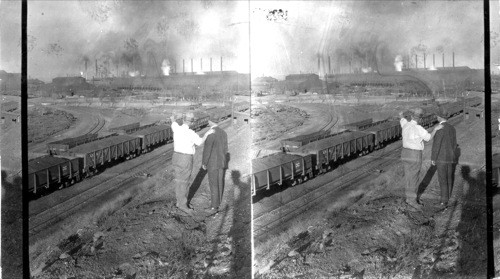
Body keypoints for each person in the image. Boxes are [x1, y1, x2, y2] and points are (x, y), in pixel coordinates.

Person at [170, 112, 214, 215]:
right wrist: (208, 133)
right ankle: (182, 205)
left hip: (176, 156)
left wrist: (173, 118)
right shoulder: (190, 133)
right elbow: (199, 142)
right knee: (184, 182)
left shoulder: (176, 127)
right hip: (185, 158)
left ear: (184, 120)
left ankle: (179, 202)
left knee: (178, 181)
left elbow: (173, 122)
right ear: (192, 122)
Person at [399, 108, 442, 211]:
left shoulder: (405, 124)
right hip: (414, 154)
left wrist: (402, 114)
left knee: (409, 176)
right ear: (420, 119)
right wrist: (435, 129)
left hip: (405, 153)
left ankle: (409, 198)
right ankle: (412, 201)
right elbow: (428, 138)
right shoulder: (418, 128)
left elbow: (401, 117)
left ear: (412, 116)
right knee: (413, 177)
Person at [431, 110, 457, 208]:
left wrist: (433, 158)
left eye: (437, 116)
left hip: (441, 158)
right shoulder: (452, 128)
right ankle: (448, 197)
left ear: (440, 117)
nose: (436, 117)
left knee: (442, 179)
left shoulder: (439, 128)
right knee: (449, 177)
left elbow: (436, 145)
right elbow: (454, 145)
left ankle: (443, 201)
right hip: (450, 157)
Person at [202, 120, 228, 216]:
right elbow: (225, 149)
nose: (207, 122)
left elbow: (207, 150)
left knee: (213, 184)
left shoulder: (211, 133)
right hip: (221, 162)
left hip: (212, 163)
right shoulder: (223, 132)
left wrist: (204, 162)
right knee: (220, 182)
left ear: (211, 122)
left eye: (208, 120)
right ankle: (218, 202)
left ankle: (214, 207)